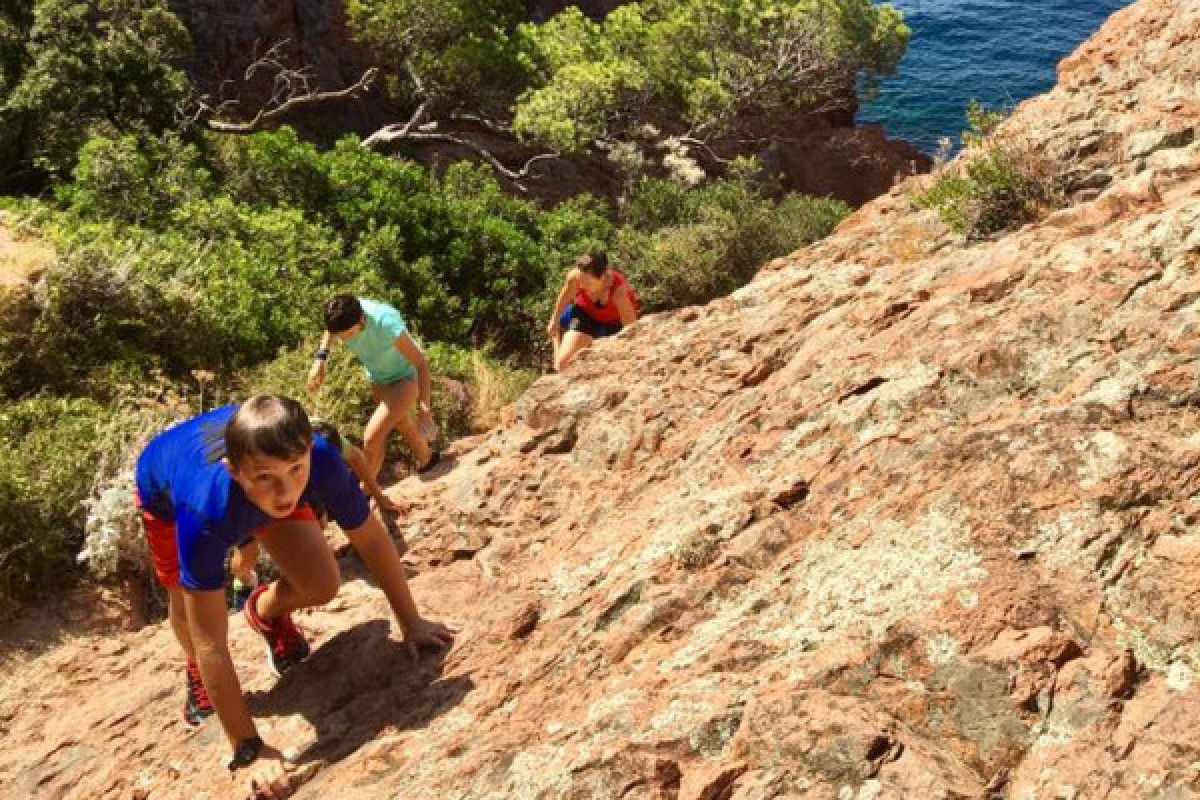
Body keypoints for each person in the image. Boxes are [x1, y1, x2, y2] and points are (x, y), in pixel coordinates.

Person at [135, 395, 454, 798]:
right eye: (267, 477)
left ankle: (264, 611)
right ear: (234, 471)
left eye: (296, 470)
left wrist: (412, 622)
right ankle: (196, 674)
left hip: (245, 474)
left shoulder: (315, 459)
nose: (285, 489)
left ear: (307, 453)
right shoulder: (203, 513)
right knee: (186, 603)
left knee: (322, 583)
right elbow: (209, 639)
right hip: (166, 492)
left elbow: (371, 539)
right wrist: (248, 749)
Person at [226, 418, 403, 612]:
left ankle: (297, 581)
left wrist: (379, 495)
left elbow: (355, 458)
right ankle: (243, 583)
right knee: (248, 555)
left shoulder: (325, 437)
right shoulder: (267, 442)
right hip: (251, 493)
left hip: (304, 485)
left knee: (317, 524)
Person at [307, 296, 440, 481]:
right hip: (378, 378)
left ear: (362, 319)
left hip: (405, 377)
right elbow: (330, 330)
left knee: (372, 437)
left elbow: (421, 364)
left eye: (349, 334)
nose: (345, 339)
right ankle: (428, 458)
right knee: (401, 422)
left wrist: (425, 409)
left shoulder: (385, 321)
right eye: (341, 336)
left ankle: (366, 489)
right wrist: (320, 360)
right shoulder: (342, 313)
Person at [546, 251, 639, 372]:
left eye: (587, 283)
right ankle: (560, 339)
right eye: (581, 280)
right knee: (563, 364)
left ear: (603, 277)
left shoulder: (618, 293)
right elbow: (565, 296)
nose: (582, 286)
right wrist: (554, 320)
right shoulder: (575, 277)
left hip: (613, 323)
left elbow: (631, 328)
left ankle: (589, 341)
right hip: (584, 313)